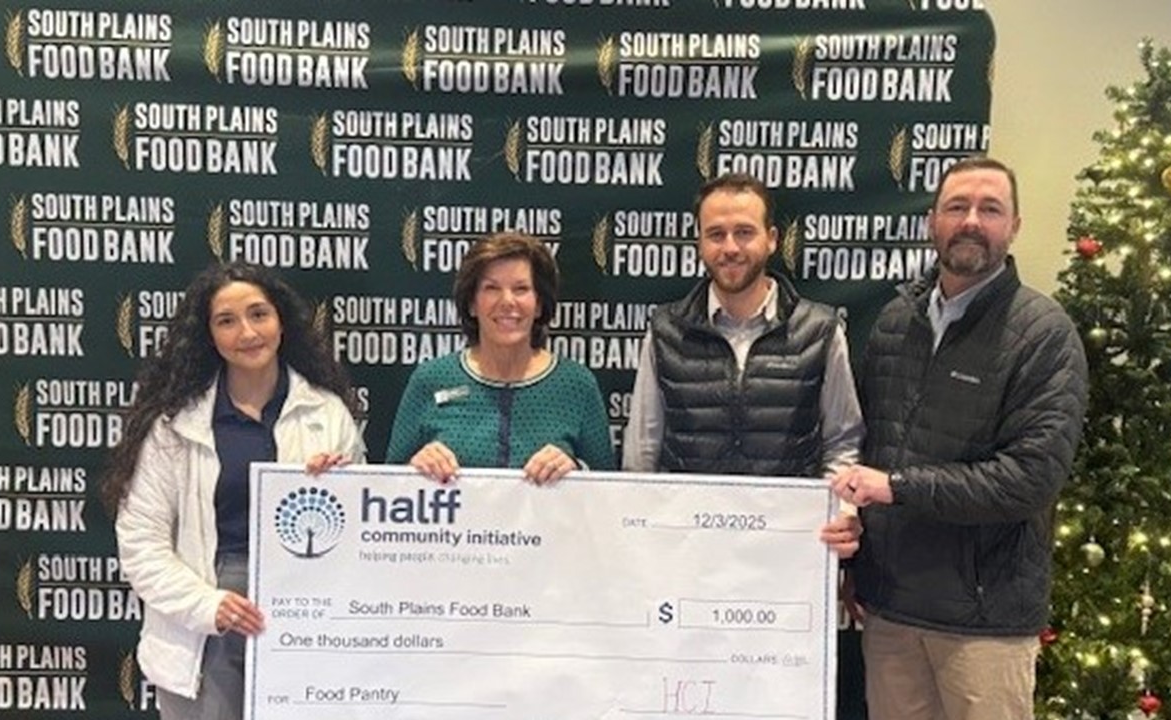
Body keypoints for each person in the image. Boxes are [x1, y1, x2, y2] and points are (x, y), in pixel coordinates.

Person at [832, 157, 1088, 720]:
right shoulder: (895, 323)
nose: (971, 220)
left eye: (989, 209)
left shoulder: (1044, 335)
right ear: (933, 222)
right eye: (957, 207)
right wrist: (856, 562)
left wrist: (897, 487)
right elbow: (869, 448)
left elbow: (1030, 480)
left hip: (984, 623)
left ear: (1014, 226)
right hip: (891, 611)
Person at [102, 262, 365, 720]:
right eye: (227, 321)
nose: (247, 332)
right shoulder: (174, 425)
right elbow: (141, 542)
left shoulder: (327, 413)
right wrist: (210, 606)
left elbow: (357, 534)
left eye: (259, 314)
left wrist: (338, 489)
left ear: (281, 320)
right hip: (207, 613)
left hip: (302, 607)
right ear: (209, 335)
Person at [622, 172, 865, 557]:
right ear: (700, 243)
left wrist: (842, 513)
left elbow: (842, 443)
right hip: (687, 550)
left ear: (772, 239)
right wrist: (640, 533)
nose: (730, 247)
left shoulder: (820, 330)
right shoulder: (665, 330)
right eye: (716, 234)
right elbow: (642, 452)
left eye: (744, 233)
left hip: (788, 548)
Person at [386, 231, 615, 482]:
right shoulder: (431, 379)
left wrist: (576, 470)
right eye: (492, 288)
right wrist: (414, 467)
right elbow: (384, 486)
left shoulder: (577, 385)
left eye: (521, 289)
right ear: (472, 303)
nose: (507, 301)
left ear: (539, 304)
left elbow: (609, 488)